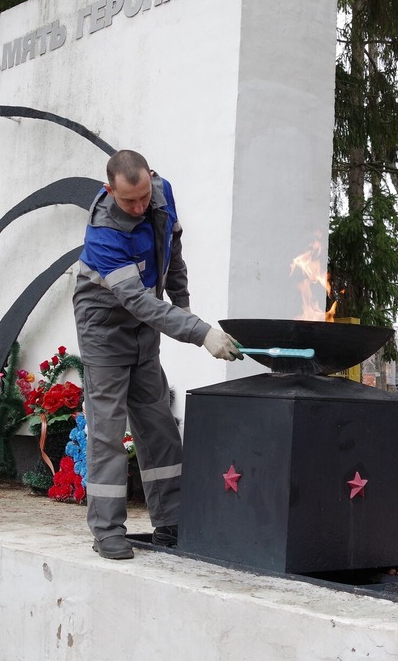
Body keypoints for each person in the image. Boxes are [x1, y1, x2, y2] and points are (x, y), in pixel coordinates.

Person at [73, 149, 241, 560]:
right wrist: (199, 331)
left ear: (151, 177)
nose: (140, 206)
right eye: (130, 200)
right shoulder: (104, 234)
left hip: (144, 328)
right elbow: (138, 302)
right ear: (110, 189)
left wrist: (182, 303)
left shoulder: (161, 193)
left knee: (159, 425)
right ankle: (107, 530)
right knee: (108, 434)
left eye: (144, 196)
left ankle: (172, 522)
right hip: (105, 329)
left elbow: (172, 253)